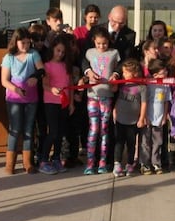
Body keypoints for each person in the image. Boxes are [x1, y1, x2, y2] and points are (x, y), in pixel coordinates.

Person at [1, 27, 45, 175]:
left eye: (28, 42)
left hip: (31, 98)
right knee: (15, 129)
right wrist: (16, 89)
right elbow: (4, 81)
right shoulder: (9, 57)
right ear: (16, 42)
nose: (25, 46)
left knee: (28, 129)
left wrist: (35, 76)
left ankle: (28, 162)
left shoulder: (33, 54)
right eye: (22, 43)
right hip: (14, 98)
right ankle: (10, 163)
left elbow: (41, 69)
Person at [82, 27, 121, 174]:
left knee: (104, 129)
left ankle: (102, 163)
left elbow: (120, 67)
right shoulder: (89, 52)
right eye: (98, 43)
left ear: (108, 42)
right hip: (92, 95)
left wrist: (115, 75)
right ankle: (90, 163)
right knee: (93, 129)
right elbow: (84, 64)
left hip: (107, 95)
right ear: (94, 41)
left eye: (104, 43)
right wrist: (88, 73)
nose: (101, 46)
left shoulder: (114, 53)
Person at [39, 35, 75, 175]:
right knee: (53, 132)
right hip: (51, 102)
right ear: (53, 49)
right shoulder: (47, 65)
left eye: (63, 52)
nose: (60, 54)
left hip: (64, 102)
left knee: (60, 133)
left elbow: (70, 85)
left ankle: (56, 159)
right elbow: (44, 85)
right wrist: (52, 89)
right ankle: (43, 160)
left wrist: (71, 103)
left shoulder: (66, 66)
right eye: (58, 50)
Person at [112, 59, 147, 177]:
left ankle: (129, 164)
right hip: (120, 118)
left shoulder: (142, 87)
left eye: (126, 72)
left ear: (135, 73)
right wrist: (115, 109)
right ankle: (117, 164)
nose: (124, 74)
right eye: (123, 72)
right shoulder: (122, 84)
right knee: (119, 142)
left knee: (131, 144)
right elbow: (117, 97)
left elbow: (144, 103)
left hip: (133, 121)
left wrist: (141, 118)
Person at [140, 58, 171, 175]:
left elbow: (166, 101)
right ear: (155, 75)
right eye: (163, 72)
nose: (166, 73)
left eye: (166, 71)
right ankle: (145, 164)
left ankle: (156, 163)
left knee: (158, 142)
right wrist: (145, 116)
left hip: (159, 118)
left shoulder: (166, 84)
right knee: (146, 142)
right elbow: (145, 101)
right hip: (148, 117)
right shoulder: (149, 84)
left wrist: (164, 116)